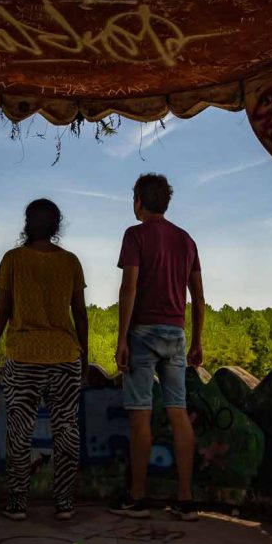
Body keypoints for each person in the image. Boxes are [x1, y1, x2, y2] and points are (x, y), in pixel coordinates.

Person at [0, 199, 89, 522]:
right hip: (64, 356)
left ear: (27, 224)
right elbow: (79, 312)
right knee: (66, 429)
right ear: (57, 226)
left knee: (19, 431)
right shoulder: (70, 262)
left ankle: (17, 502)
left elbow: (2, 309)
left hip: (24, 356)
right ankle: (65, 503)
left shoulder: (13, 260)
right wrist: (84, 353)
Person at [109, 174, 204, 521]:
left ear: (138, 200)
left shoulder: (135, 236)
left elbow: (128, 289)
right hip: (176, 333)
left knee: (141, 413)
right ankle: (185, 498)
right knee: (177, 411)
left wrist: (122, 339)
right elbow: (199, 297)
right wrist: (197, 340)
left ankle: (137, 496)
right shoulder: (186, 240)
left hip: (143, 333)